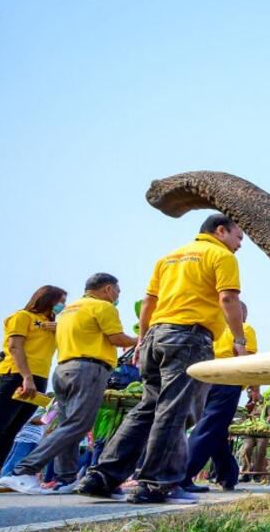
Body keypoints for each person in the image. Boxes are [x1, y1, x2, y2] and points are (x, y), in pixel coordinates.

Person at [76, 214, 248, 504]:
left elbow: (148, 303)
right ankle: (156, 484)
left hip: (156, 335)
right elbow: (228, 299)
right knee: (174, 409)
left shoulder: (169, 258)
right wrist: (239, 341)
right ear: (221, 231)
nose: (240, 245)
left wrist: (142, 340)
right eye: (239, 237)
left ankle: (102, 476)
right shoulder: (221, 255)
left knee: (148, 407)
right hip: (189, 337)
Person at [1, 274, 137, 494]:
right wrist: (140, 340)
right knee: (79, 424)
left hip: (62, 369)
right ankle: (23, 470)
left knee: (68, 423)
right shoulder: (102, 307)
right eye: (118, 292)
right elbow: (116, 338)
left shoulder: (68, 311)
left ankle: (66, 478)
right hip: (88, 369)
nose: (117, 296)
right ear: (108, 289)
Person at [181, 301, 259, 493]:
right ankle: (182, 475)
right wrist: (255, 388)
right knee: (209, 427)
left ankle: (228, 474)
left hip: (202, 379)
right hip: (228, 381)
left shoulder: (211, 329)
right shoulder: (245, 330)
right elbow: (249, 361)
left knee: (216, 429)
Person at [0, 285, 67, 468]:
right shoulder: (22, 317)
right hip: (15, 376)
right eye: (60, 301)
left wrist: (63, 327)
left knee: (11, 431)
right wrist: (26, 377)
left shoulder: (53, 326)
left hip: (40, 379)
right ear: (47, 299)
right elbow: (15, 347)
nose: (62, 305)